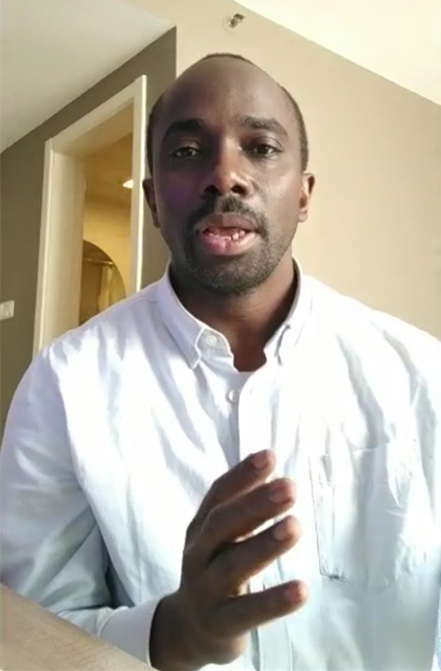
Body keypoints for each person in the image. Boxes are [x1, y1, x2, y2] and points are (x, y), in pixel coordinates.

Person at [1, 53, 440, 671]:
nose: (225, 176)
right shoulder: (63, 387)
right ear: (153, 201)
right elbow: (34, 631)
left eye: (261, 148)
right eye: (187, 151)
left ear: (304, 194)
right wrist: (169, 635)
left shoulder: (420, 374)